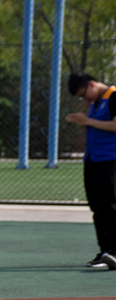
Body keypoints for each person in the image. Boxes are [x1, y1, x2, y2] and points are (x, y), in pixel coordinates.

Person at [65, 73, 116, 270]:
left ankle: (114, 250)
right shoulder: (95, 103)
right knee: (98, 206)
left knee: (111, 205)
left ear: (91, 84)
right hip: (94, 159)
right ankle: (105, 251)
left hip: (111, 159)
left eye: (84, 94)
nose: (84, 99)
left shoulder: (113, 96)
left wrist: (87, 121)